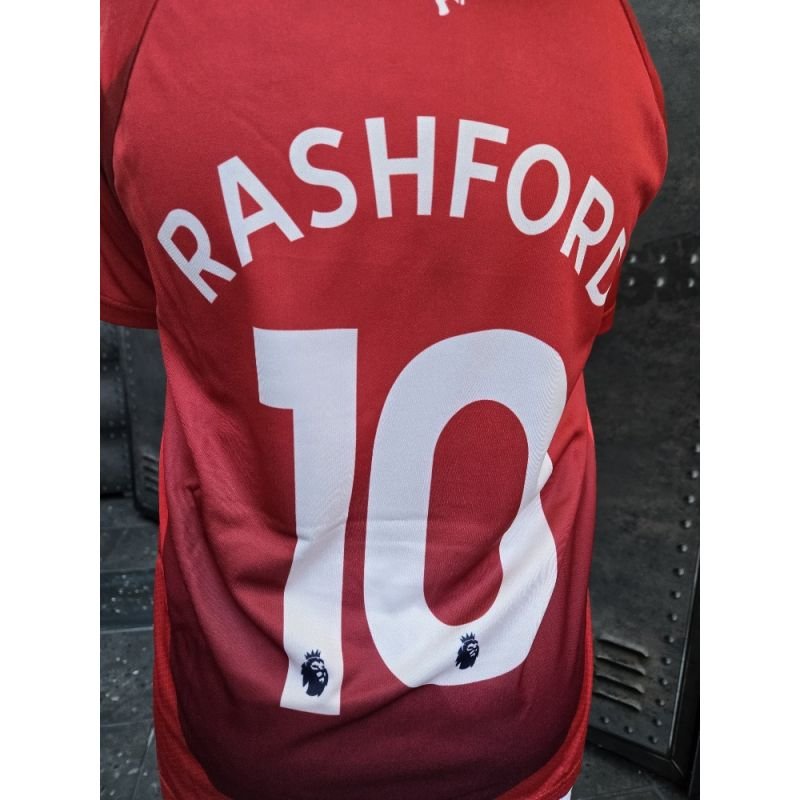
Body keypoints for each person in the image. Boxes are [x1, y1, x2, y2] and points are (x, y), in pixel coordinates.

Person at [100, 2, 667, 798]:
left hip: (250, 718)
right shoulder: (606, 37)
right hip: (513, 708)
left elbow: (152, 296)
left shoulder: (146, 28)